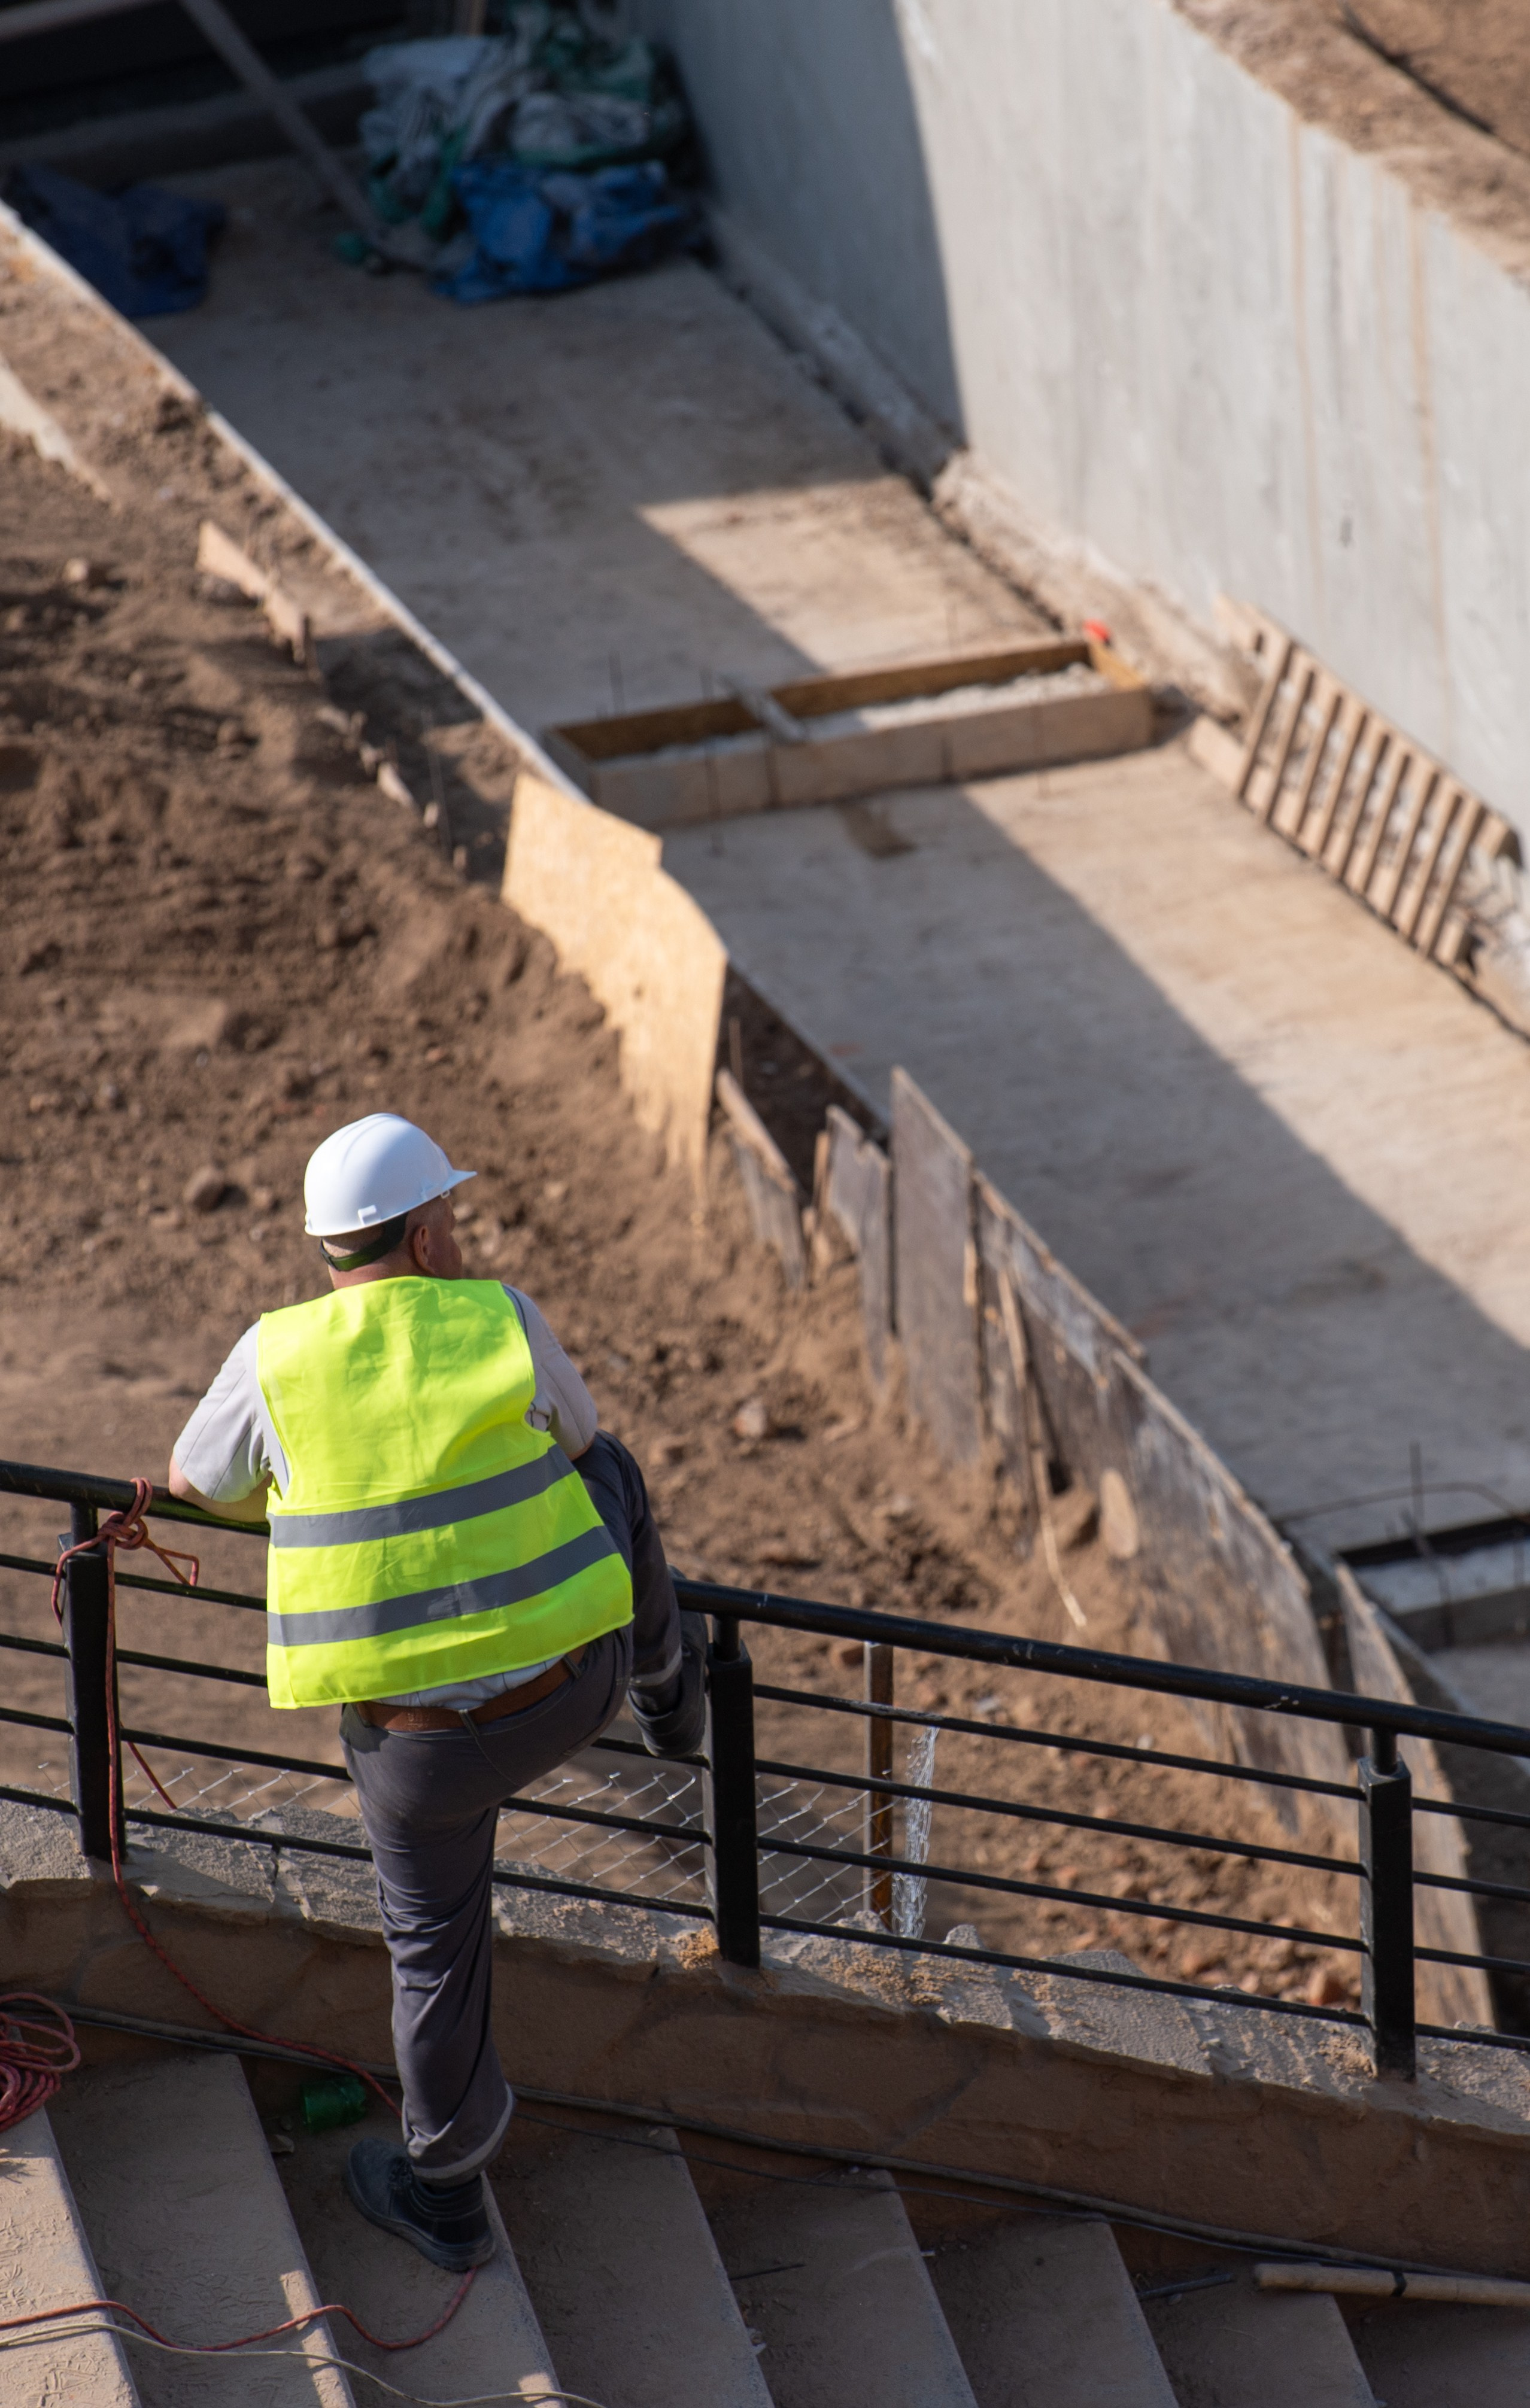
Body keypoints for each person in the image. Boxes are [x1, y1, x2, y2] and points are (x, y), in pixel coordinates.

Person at [167, 1112, 704, 2271]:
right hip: (574, 1695)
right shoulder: (499, 1314)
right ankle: (672, 1688)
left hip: (423, 1760)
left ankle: (450, 2193)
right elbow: (582, 1437)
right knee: (616, 1475)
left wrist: (303, 1485)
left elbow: (194, 1477)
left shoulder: (276, 1354)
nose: (460, 1231)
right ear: (418, 1233)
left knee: (433, 1949)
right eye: (449, 1216)